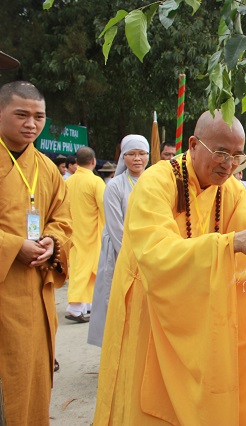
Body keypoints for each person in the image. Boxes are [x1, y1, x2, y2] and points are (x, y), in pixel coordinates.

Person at [94, 110, 246, 425]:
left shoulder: (230, 190)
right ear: (193, 144)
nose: (228, 165)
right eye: (220, 153)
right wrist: (228, 246)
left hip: (198, 313)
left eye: (237, 157)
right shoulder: (156, 182)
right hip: (153, 311)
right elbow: (156, 253)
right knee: (145, 405)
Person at [0, 80, 72, 424]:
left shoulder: (46, 167)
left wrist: (52, 242)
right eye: (21, 115)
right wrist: (13, 246)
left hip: (34, 290)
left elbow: (63, 219)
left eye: (39, 116)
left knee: (32, 377)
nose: (31, 123)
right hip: (3, 287)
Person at [87, 135, 149, 347]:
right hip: (120, 252)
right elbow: (116, 227)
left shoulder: (153, 182)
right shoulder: (114, 186)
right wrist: (131, 257)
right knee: (116, 302)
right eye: (131, 154)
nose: (137, 159)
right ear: (123, 157)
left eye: (142, 153)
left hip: (147, 253)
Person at [65, 146, 105, 322]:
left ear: (76, 163)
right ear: (93, 161)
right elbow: (105, 208)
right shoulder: (96, 182)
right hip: (90, 232)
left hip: (72, 230)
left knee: (80, 268)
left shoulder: (67, 182)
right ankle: (74, 307)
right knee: (85, 268)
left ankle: (85, 304)